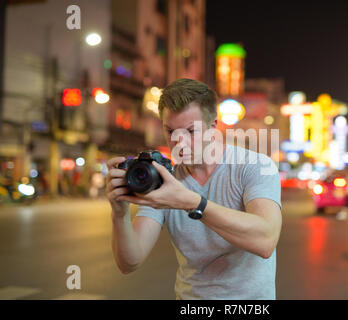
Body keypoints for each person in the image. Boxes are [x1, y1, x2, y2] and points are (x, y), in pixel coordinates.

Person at [106, 78, 282, 299]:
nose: (180, 142)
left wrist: (191, 202)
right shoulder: (163, 180)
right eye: (171, 132)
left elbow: (265, 241)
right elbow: (129, 263)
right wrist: (119, 213)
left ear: (213, 127)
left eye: (191, 131)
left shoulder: (254, 166)